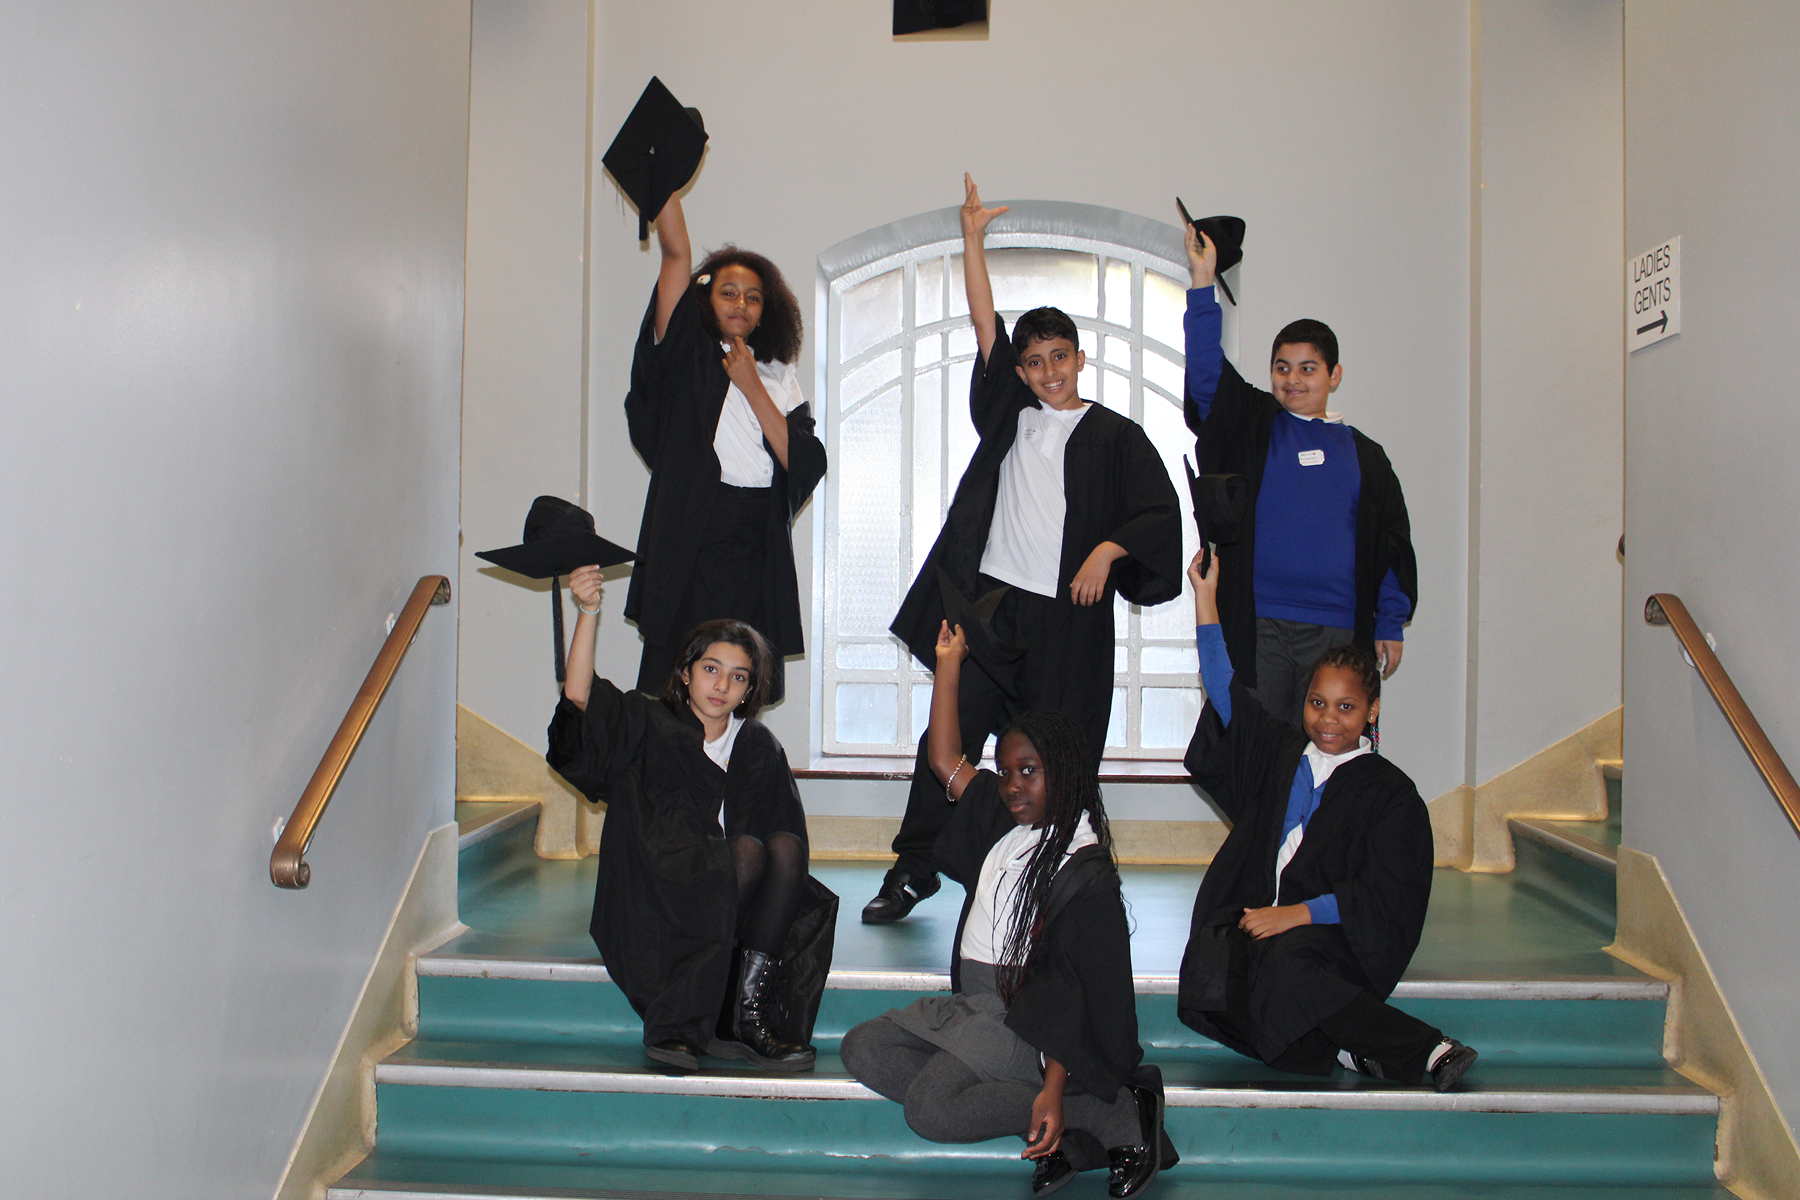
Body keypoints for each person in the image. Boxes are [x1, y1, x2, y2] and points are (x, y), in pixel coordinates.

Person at [867, 174, 1183, 923]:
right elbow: (985, 323)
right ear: (1021, 370)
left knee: (1055, 756)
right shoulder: (1011, 413)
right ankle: (913, 870)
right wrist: (972, 240)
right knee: (944, 735)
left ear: (1081, 358)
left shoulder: (1115, 436)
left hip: (1065, 628)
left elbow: (1159, 513)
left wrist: (1108, 549)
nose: (1048, 372)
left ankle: (1057, 874)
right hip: (989, 613)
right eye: (1035, 361)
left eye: (1060, 357)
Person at [841, 620, 1171, 1199]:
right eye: (1008, 770)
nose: (1013, 786)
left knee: (932, 1111)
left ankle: (1112, 1117)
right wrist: (949, 663)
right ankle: (1071, 1125)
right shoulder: (1005, 822)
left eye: (1029, 772)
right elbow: (945, 759)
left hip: (1029, 1022)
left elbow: (1075, 997)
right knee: (863, 1047)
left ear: (1065, 774)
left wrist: (1051, 1082)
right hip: (976, 1004)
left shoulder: (1083, 873)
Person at [1177, 549, 1477, 1091]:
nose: (1328, 720)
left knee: (1287, 967)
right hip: (1266, 921)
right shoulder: (1282, 753)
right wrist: (1205, 597)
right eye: (1318, 703)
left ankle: (1425, 1049)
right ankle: (1343, 1049)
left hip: (1337, 938)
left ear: (1372, 711)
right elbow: (1225, 688)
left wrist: (1298, 915)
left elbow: (1385, 893)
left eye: (1346, 707)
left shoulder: (1391, 794)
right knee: (1213, 973)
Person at [547, 567, 837, 1073]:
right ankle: (679, 1024)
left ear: (749, 691)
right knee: (745, 852)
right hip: (659, 893)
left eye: (738, 677)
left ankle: (744, 1015)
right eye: (711, 669)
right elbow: (579, 698)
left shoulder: (757, 746)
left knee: (786, 847)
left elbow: (780, 842)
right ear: (685, 672)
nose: (722, 685)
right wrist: (588, 613)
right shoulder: (647, 721)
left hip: (735, 901)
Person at [1183, 220, 1415, 727]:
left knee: (1326, 753)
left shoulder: (1367, 457)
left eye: (1307, 368)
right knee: (1258, 753)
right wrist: (1203, 280)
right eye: (1281, 367)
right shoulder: (1254, 424)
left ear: (1334, 375)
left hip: (1335, 631)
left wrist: (1390, 622)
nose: (1292, 379)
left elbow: (1391, 547)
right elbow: (1206, 375)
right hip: (1258, 623)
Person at [622, 190, 826, 703]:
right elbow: (675, 256)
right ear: (707, 299)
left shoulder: (779, 375)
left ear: (765, 310)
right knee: (676, 681)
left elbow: (802, 461)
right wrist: (664, 181)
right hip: (694, 530)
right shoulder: (687, 358)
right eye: (728, 292)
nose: (740, 304)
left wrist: (752, 385)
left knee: (737, 684)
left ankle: (729, 778)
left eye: (752, 297)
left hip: (756, 542)